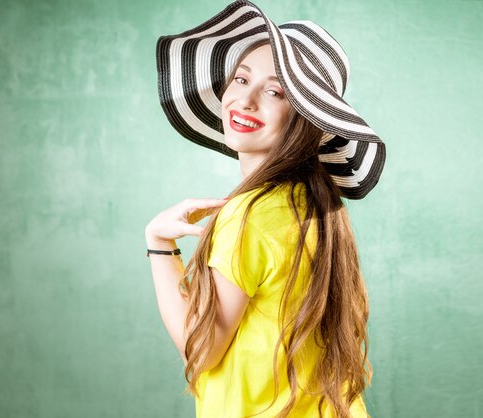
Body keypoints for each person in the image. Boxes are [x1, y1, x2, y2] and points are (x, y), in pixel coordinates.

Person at [145, 1, 386, 417]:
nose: (245, 99)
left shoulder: (250, 214)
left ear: (306, 117)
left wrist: (159, 244)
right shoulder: (315, 206)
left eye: (275, 91)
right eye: (241, 78)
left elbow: (199, 350)